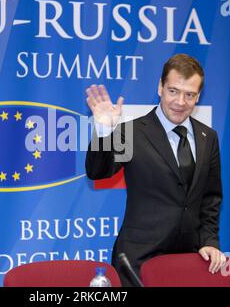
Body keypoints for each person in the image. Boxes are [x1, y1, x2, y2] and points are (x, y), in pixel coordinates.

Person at [85, 53, 226, 286]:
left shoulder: (207, 137)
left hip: (189, 261)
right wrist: (103, 130)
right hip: (138, 263)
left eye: (189, 94)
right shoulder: (131, 131)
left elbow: (211, 198)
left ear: (198, 96)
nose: (180, 102)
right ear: (160, 87)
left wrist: (209, 241)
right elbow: (98, 171)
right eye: (173, 91)